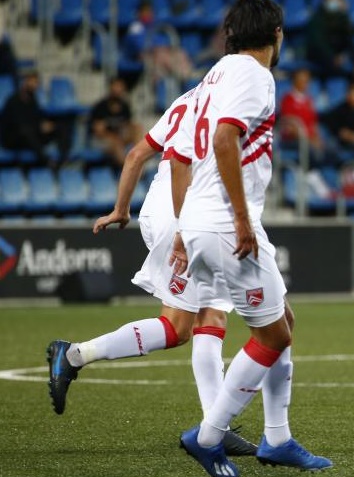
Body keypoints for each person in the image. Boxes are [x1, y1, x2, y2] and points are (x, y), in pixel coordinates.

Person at [44, 84, 258, 456]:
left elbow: (135, 156)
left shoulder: (186, 99)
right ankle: (74, 355)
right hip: (185, 211)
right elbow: (182, 164)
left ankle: (214, 426)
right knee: (177, 327)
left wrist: (121, 208)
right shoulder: (224, 101)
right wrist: (184, 228)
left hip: (170, 210)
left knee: (212, 316)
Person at [173, 0, 331, 477]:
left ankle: (277, 438)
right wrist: (242, 220)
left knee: (281, 316)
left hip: (205, 216)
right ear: (277, 34)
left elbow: (182, 152)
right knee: (274, 334)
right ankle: (208, 436)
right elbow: (224, 139)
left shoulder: (214, 75)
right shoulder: (253, 75)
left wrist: (185, 227)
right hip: (226, 220)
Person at [0, 70, 69, 163]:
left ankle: (63, 159)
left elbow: (38, 117)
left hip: (32, 135)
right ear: (25, 82)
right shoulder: (13, 100)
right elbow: (19, 124)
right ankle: (46, 160)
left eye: (37, 82)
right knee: (27, 131)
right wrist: (39, 126)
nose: (35, 85)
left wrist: (47, 125)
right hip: (14, 138)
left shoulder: (33, 100)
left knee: (61, 127)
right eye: (33, 81)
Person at [304, 0, 354, 77]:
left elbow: (350, 39)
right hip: (320, 58)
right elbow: (318, 42)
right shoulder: (316, 19)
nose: (334, 1)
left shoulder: (342, 18)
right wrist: (332, 57)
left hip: (338, 57)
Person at [89, 77, 142, 166]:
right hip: (101, 140)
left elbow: (128, 125)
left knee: (137, 128)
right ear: (110, 88)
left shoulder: (125, 106)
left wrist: (127, 133)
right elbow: (99, 131)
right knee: (115, 142)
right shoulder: (101, 106)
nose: (118, 90)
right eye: (116, 86)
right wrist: (115, 137)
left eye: (120, 87)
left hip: (120, 136)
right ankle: (128, 168)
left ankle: (140, 160)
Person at [279, 68, 326, 162]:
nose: (306, 84)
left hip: (310, 139)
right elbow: (290, 127)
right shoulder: (287, 100)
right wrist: (308, 139)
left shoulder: (309, 100)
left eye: (307, 81)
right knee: (313, 150)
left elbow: (313, 123)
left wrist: (317, 138)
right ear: (295, 82)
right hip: (293, 140)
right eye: (304, 81)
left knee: (331, 148)